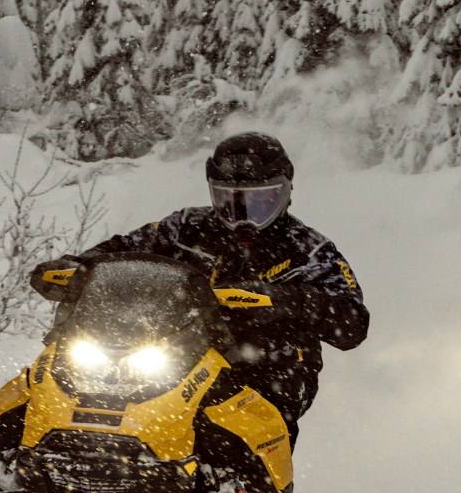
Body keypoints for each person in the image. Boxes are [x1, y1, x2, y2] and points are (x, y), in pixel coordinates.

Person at [80, 131, 371, 431]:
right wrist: (80, 267)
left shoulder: (308, 249)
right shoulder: (185, 228)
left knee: (226, 432)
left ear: (284, 192)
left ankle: (243, 476)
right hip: (172, 354)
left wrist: (286, 300)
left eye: (259, 201)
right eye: (229, 199)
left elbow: (353, 323)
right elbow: (123, 250)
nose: (243, 215)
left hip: (270, 369)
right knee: (82, 386)